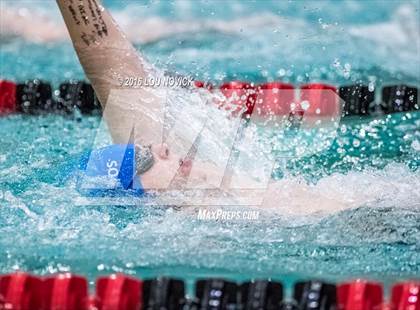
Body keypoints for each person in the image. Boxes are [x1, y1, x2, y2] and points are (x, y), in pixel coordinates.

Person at [56, 0, 348, 214]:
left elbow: (102, 51)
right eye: (146, 160)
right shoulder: (196, 222)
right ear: (137, 193)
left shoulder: (183, 173)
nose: (161, 148)